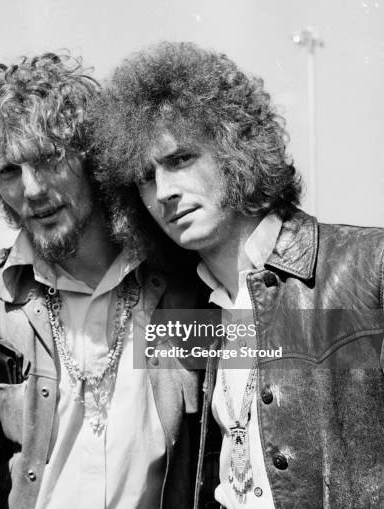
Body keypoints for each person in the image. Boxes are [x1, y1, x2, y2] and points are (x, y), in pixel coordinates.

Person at [89, 41, 384, 509]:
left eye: (180, 159)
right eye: (146, 177)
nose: (164, 191)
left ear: (233, 147)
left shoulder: (370, 266)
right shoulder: (196, 304)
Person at [0, 52, 201, 509]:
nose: (31, 189)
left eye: (48, 159)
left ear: (92, 158)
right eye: (9, 170)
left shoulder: (185, 280)